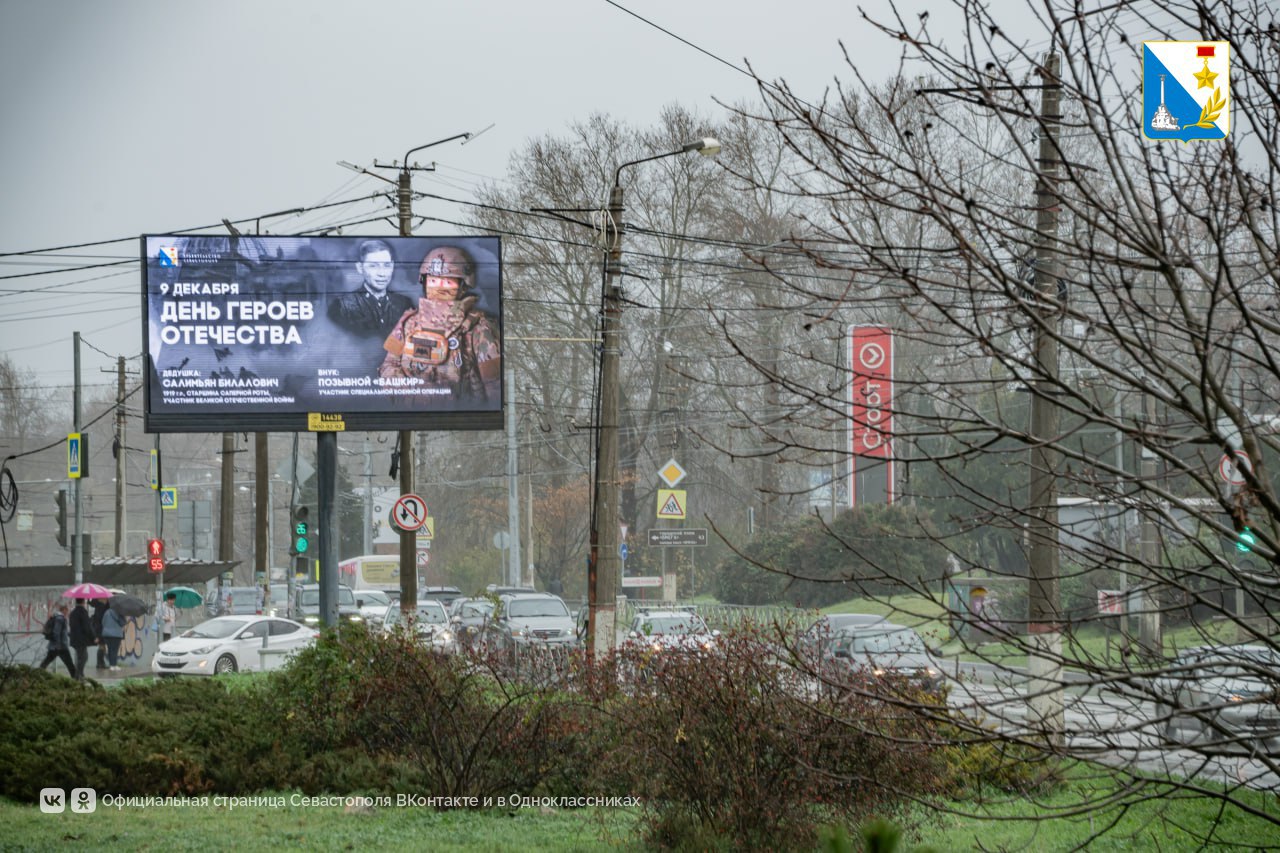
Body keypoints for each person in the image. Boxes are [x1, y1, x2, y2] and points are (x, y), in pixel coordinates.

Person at [378, 245, 501, 402]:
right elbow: (388, 366)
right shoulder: (409, 322)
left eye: (448, 282)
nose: (439, 288)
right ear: (424, 283)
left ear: (463, 286)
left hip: (461, 417)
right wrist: (411, 394)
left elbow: (494, 386)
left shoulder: (478, 328)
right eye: (433, 280)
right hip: (413, 414)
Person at [328, 239, 414, 336]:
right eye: (373, 266)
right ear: (360, 268)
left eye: (387, 265)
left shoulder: (405, 304)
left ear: (392, 266)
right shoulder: (342, 306)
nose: (382, 273)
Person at [38, 603, 75, 676]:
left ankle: (37, 674)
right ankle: (76, 678)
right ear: (64, 610)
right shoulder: (60, 618)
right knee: (69, 663)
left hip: (55, 646)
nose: (68, 612)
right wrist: (58, 645)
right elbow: (56, 632)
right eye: (67, 610)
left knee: (46, 662)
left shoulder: (56, 617)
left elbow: (62, 632)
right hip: (60, 646)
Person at [68, 598, 95, 681]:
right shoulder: (83, 612)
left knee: (81, 657)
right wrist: (94, 637)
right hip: (81, 640)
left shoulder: (72, 613)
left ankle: (80, 674)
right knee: (83, 657)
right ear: (84, 602)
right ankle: (78, 675)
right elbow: (87, 627)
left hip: (74, 639)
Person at [101, 606, 126, 672]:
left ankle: (111, 665)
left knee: (110, 649)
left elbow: (103, 622)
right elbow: (122, 623)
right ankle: (114, 665)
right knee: (115, 650)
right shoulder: (119, 613)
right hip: (116, 634)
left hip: (107, 634)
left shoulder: (106, 612)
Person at [90, 597, 109, 670]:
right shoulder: (100, 606)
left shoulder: (98, 606)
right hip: (100, 629)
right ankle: (99, 663)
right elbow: (101, 618)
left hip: (99, 628)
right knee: (102, 646)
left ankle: (101, 663)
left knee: (103, 647)